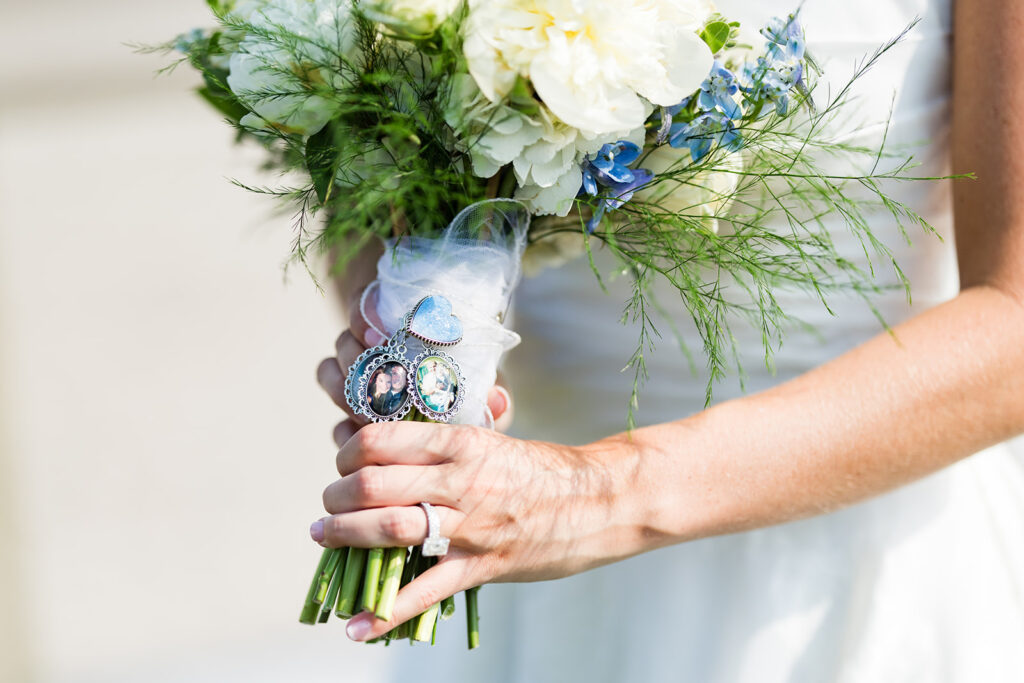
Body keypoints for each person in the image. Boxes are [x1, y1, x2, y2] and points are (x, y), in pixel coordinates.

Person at [312, 1, 1024, 680]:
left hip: (844, 556)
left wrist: (595, 494)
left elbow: (1012, 319)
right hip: (507, 535)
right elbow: (362, 168)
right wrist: (413, 325)